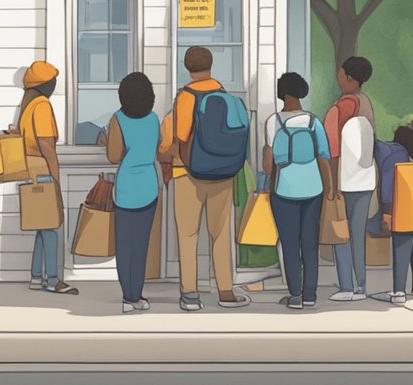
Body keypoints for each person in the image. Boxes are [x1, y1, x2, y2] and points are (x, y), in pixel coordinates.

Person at [158, 46, 251, 311]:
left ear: (187, 67)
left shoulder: (186, 97)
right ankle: (225, 292)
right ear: (211, 66)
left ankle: (190, 295)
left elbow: (180, 136)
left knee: (188, 235)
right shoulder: (225, 96)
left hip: (188, 174)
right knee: (220, 233)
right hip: (223, 174)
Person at [263, 73, 333, 310]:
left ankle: (295, 295)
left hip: (284, 190)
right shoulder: (314, 122)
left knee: (290, 244)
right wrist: (331, 188)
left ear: (281, 93)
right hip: (313, 188)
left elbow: (266, 165)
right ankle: (310, 294)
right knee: (310, 243)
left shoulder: (273, 122)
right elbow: (324, 159)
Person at [101, 72, 162, 314]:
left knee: (124, 247)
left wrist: (106, 139)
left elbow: (114, 156)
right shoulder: (154, 119)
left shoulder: (117, 119)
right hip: (149, 185)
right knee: (141, 246)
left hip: (126, 188)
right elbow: (155, 148)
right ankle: (137, 293)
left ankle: (129, 297)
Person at [16, 61, 77, 295]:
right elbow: (47, 147)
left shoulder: (28, 105)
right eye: (53, 81)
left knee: (41, 226)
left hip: (29, 170)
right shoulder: (42, 106)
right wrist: (57, 180)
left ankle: (35, 277)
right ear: (46, 84)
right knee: (51, 226)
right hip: (42, 170)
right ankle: (52, 279)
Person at [324, 56, 377, 302]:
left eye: (340, 73)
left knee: (341, 233)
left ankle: (347, 286)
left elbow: (331, 150)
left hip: (343, 179)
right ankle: (361, 286)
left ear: (347, 77)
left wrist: (331, 185)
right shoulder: (365, 103)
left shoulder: (341, 107)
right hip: (365, 177)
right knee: (357, 234)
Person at [370, 123, 413, 304]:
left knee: (401, 252)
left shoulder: (392, 153)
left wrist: (387, 213)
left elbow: (388, 186)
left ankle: (399, 292)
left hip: (401, 211)